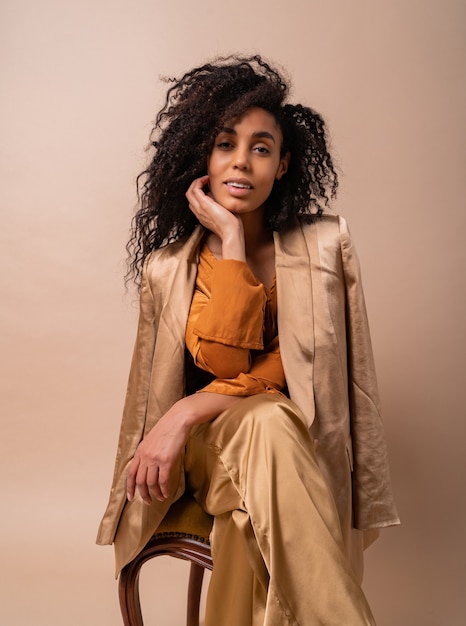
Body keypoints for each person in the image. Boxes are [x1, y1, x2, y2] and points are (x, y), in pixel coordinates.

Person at [97, 55, 399, 625]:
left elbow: (295, 367)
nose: (241, 162)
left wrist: (184, 410)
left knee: (254, 480)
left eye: (261, 148)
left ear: (282, 165)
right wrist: (230, 241)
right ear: (203, 159)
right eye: (225, 144)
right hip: (205, 454)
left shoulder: (324, 247)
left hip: (294, 441)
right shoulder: (169, 268)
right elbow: (225, 362)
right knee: (264, 419)